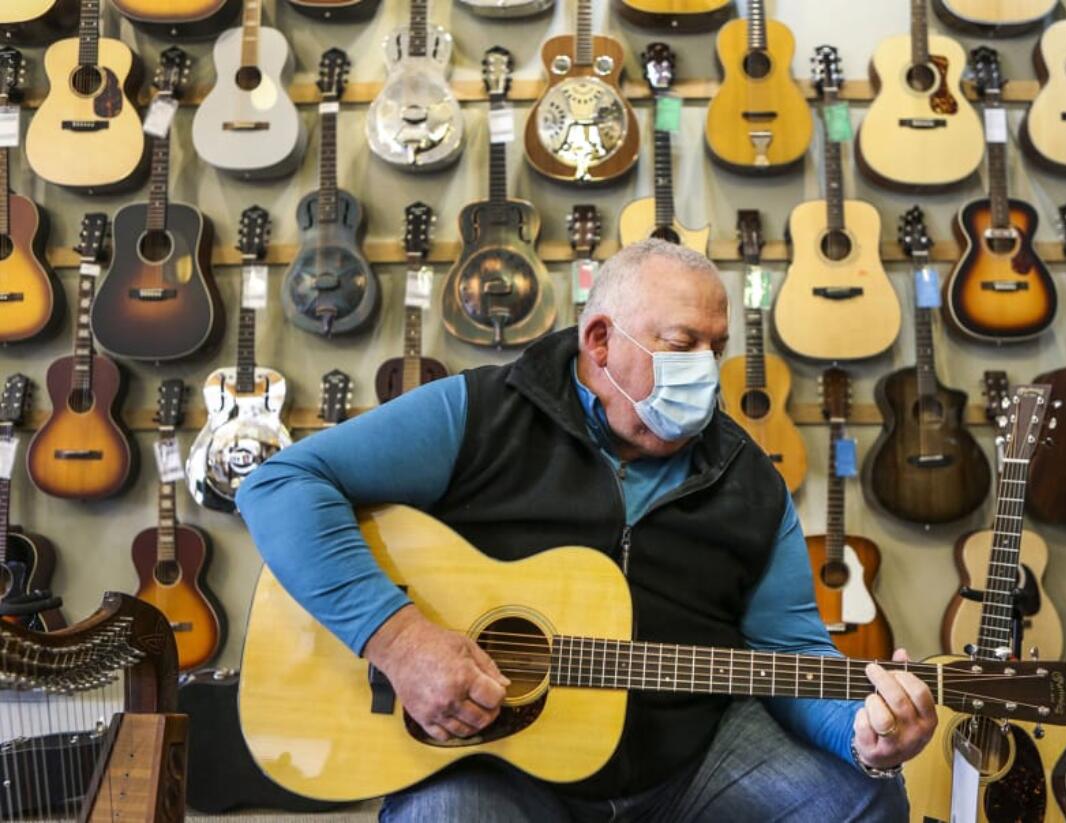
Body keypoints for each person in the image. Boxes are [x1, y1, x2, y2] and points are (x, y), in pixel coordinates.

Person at [237, 239, 937, 822]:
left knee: (862, 800)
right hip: (500, 764)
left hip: (687, 764)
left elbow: (795, 655)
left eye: (715, 347)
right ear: (600, 340)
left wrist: (862, 733)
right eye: (681, 343)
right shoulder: (480, 413)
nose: (705, 369)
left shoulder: (750, 479)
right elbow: (279, 484)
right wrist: (400, 639)